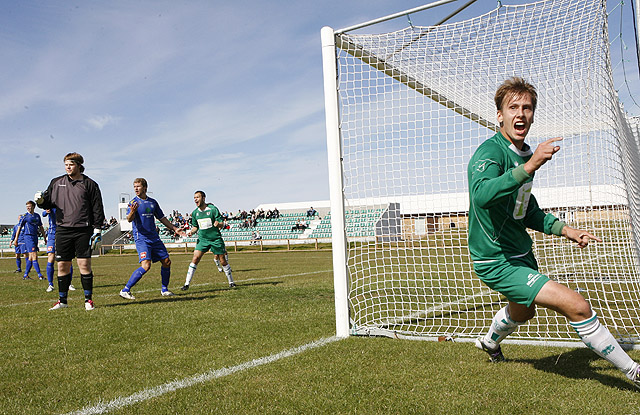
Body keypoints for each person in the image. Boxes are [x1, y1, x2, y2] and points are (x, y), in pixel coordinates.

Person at [467, 77, 640, 387]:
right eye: (513, 107)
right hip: (496, 259)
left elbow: (527, 210)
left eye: (527, 108)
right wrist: (531, 165)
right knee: (576, 304)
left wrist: (567, 230)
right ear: (499, 115)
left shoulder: (521, 154)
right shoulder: (489, 154)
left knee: (522, 313)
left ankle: (490, 343)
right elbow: (481, 196)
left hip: (521, 253)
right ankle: (634, 371)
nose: (521, 114)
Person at [35, 152, 105, 311]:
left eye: (71, 164)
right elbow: (48, 202)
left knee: (84, 264)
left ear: (79, 165)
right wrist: (40, 201)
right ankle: (62, 301)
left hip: (83, 230)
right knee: (62, 266)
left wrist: (98, 228)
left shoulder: (90, 184)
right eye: (66, 164)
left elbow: (97, 208)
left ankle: (88, 300)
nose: (68, 167)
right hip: (63, 230)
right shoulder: (56, 182)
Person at [119, 178, 185, 300]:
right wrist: (132, 211)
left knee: (166, 262)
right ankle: (125, 290)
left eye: (138, 186)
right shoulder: (133, 202)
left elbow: (162, 218)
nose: (136, 189)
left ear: (145, 188)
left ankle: (164, 290)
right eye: (134, 186)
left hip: (154, 237)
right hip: (142, 238)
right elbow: (129, 219)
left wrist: (174, 228)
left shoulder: (153, 202)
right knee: (146, 265)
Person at [181, 190, 235, 290]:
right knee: (195, 258)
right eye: (194, 198)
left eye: (197, 197)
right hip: (203, 239)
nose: (195, 199)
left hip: (215, 239)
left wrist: (218, 224)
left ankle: (231, 282)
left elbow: (222, 223)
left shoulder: (213, 209)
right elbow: (195, 227)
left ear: (203, 198)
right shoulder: (195, 213)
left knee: (223, 261)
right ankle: (186, 284)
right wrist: (191, 232)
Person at [42, 208, 75, 293]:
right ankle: (50, 284)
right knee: (51, 257)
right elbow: (43, 213)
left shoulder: (64, 205)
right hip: (52, 235)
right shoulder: (51, 205)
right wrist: (46, 211)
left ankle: (69, 283)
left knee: (67, 259)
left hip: (64, 234)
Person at [13, 201, 46, 280]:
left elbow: (41, 227)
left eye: (29, 206)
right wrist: (16, 239)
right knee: (34, 255)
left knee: (31, 257)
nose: (28, 208)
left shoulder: (37, 216)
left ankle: (25, 275)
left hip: (35, 237)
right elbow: (19, 228)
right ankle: (40, 275)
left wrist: (44, 237)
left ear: (34, 207)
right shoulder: (24, 216)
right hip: (28, 237)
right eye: (27, 206)